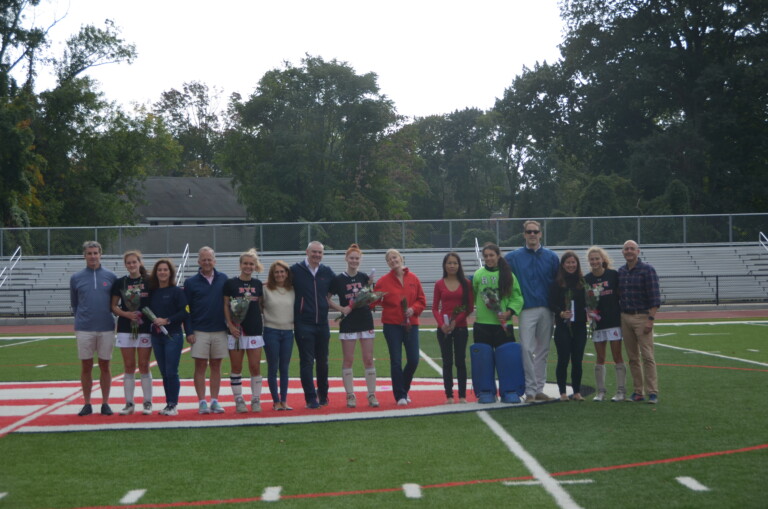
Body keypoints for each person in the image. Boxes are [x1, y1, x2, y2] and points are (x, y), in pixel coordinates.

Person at [505, 220, 559, 403]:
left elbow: (558, 284)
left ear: (541, 234)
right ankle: (529, 391)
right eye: (529, 232)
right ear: (524, 234)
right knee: (526, 349)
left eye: (535, 231)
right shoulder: (513, 257)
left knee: (543, 350)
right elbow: (501, 276)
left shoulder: (551, 257)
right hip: (526, 309)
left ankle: (539, 389)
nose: (532, 235)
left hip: (546, 309)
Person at [328, 244, 380, 409]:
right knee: (349, 359)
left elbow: (370, 297)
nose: (354, 261)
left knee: (368, 358)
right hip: (348, 322)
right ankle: (350, 395)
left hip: (365, 320)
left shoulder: (364, 277)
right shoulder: (338, 279)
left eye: (357, 258)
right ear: (346, 258)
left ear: (360, 260)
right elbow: (327, 298)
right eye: (351, 258)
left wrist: (371, 287)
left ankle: (371, 394)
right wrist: (341, 309)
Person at [472, 243, 524, 403]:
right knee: (483, 359)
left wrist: (509, 312)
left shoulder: (508, 275)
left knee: (507, 357)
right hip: (483, 324)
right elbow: (474, 295)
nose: (488, 258)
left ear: (498, 256)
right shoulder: (478, 275)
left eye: (491, 255)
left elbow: (517, 297)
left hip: (503, 325)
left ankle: (509, 390)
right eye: (485, 256)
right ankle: (486, 391)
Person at [70, 240, 117, 417]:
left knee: (105, 365)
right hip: (84, 328)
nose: (93, 256)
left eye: (95, 253)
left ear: (101, 254)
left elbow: (114, 302)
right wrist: (82, 319)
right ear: (84, 255)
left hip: (106, 327)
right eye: (89, 253)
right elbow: (75, 304)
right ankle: (87, 403)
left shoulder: (111, 276)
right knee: (86, 366)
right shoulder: (76, 278)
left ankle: (105, 402)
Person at [374, 249, 426, 406]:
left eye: (394, 257)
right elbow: (374, 301)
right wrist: (370, 295)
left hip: (411, 325)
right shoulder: (383, 281)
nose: (392, 260)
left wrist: (413, 309)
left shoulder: (413, 278)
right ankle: (400, 395)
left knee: (413, 360)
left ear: (401, 258)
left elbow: (421, 300)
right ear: (387, 263)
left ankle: (403, 388)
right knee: (396, 361)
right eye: (389, 259)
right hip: (392, 325)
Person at [290, 241, 336, 409]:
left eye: (320, 253)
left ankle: (323, 394)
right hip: (303, 324)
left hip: (322, 324)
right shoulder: (295, 270)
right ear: (307, 252)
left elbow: (338, 287)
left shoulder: (327, 272)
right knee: (307, 362)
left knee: (323, 361)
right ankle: (310, 398)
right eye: (314, 252)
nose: (317, 255)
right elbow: (278, 283)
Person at [184, 246, 229, 414]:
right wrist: (188, 331)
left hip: (219, 329)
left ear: (214, 261)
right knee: (200, 366)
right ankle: (202, 401)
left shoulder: (224, 279)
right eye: (204, 259)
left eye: (209, 259)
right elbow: (186, 309)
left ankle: (215, 400)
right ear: (198, 262)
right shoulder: (190, 282)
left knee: (217, 365)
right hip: (199, 330)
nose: (207, 262)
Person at [110, 250, 153, 416]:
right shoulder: (120, 282)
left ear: (139, 263)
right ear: (125, 265)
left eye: (134, 262)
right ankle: (129, 403)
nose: (132, 265)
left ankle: (147, 402)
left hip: (144, 327)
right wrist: (126, 314)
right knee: (128, 366)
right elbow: (113, 306)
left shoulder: (149, 281)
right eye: (128, 263)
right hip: (125, 327)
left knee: (144, 365)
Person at [618, 240, 661, 404]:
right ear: (622, 252)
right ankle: (638, 391)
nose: (629, 251)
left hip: (642, 316)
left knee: (648, 356)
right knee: (633, 357)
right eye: (626, 249)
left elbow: (655, 298)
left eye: (632, 249)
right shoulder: (621, 271)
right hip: (625, 316)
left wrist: (650, 319)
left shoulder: (647, 270)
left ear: (638, 251)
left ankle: (652, 392)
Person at [146, 259, 191, 416]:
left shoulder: (177, 292)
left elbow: (185, 312)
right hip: (156, 337)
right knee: (164, 372)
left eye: (165, 270)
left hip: (173, 335)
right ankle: (168, 404)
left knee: (172, 371)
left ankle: (173, 404)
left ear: (170, 272)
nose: (162, 272)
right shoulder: (152, 292)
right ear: (156, 273)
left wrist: (167, 320)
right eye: (159, 270)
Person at [223, 249, 265, 413]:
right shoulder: (230, 283)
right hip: (236, 331)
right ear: (240, 265)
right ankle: (239, 399)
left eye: (251, 264)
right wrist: (230, 325)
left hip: (254, 330)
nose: (248, 266)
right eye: (245, 263)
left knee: (255, 366)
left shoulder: (257, 284)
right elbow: (225, 305)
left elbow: (261, 306)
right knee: (236, 367)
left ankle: (256, 399)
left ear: (255, 266)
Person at [584, 246, 626, 402]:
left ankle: (621, 391)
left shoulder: (613, 275)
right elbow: (586, 301)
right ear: (589, 261)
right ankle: (600, 391)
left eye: (597, 258)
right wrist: (589, 312)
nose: (595, 261)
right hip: (597, 323)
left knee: (617, 356)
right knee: (600, 357)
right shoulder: (587, 279)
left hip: (613, 321)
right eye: (592, 259)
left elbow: (621, 294)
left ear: (603, 260)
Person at [432, 252, 474, 404]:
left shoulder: (466, 284)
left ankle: (462, 395)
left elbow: (469, 307)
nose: (452, 266)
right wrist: (441, 324)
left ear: (459, 265)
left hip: (460, 327)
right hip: (443, 329)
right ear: (444, 265)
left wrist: (456, 321)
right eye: (449, 263)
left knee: (460, 361)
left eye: (455, 263)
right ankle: (449, 395)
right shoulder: (439, 284)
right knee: (447, 361)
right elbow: (435, 308)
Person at [548, 251, 588, 402]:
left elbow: (588, 301)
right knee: (563, 359)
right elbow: (551, 303)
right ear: (563, 265)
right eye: (568, 263)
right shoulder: (557, 283)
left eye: (573, 262)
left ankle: (577, 391)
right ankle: (563, 392)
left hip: (580, 327)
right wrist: (560, 313)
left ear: (577, 264)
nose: (571, 265)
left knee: (577, 360)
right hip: (563, 327)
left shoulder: (583, 282)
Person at [261, 261, 295, 411]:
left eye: (282, 272)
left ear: (287, 273)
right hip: (271, 331)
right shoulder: (265, 289)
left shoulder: (293, 290)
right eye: (276, 272)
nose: (280, 274)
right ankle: (275, 401)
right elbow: (259, 307)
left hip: (288, 332)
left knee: (285, 368)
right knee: (273, 367)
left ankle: (284, 400)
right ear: (272, 274)